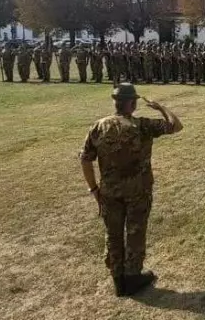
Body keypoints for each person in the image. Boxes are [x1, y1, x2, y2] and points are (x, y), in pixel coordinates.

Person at [79, 83, 183, 297]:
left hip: (109, 192)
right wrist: (161, 107)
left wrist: (94, 189)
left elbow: (85, 159)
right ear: (133, 103)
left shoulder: (99, 126)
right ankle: (133, 277)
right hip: (138, 190)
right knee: (135, 232)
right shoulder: (142, 125)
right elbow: (176, 125)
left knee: (113, 234)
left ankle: (118, 279)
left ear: (115, 102)